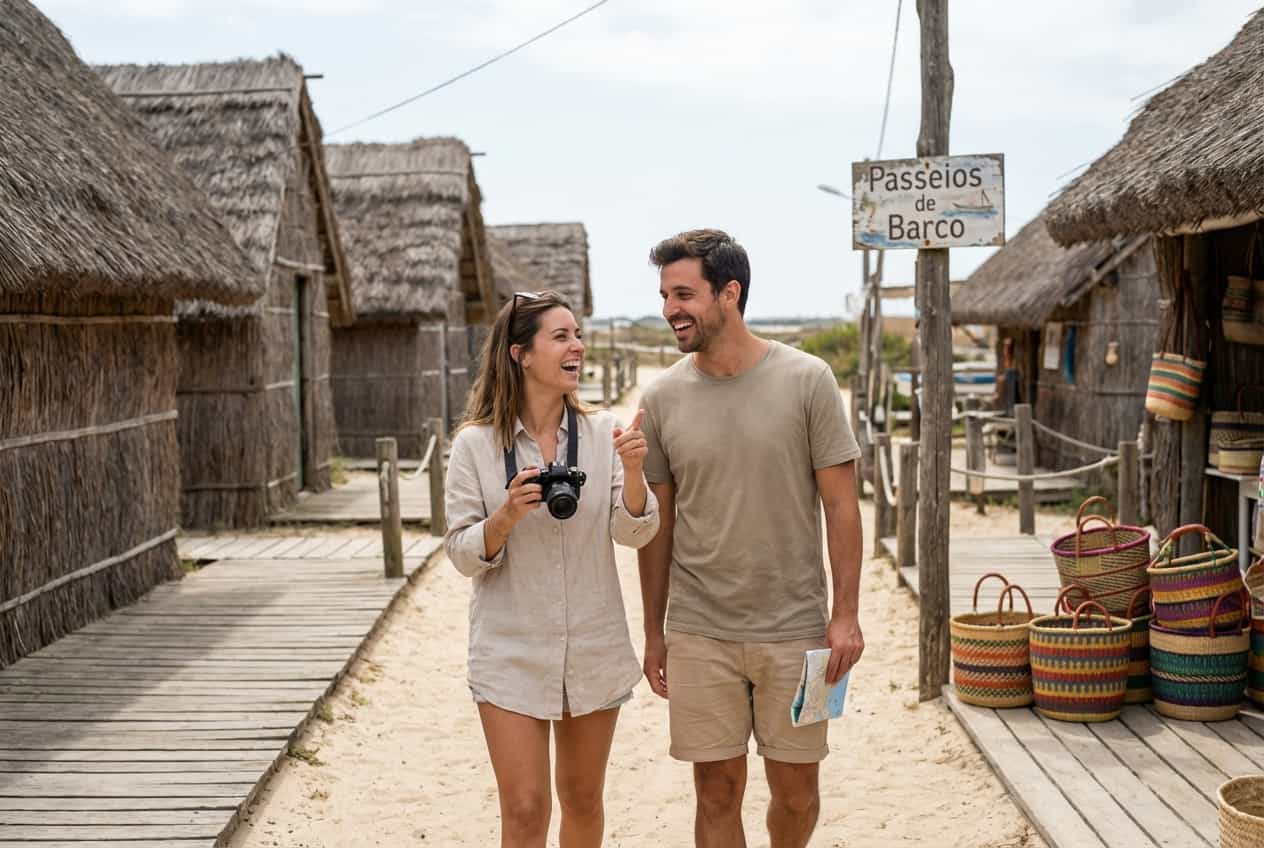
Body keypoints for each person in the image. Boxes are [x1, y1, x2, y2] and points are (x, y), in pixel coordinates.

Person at [637, 229, 865, 848]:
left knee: (797, 795)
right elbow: (657, 529)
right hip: (699, 630)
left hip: (798, 629)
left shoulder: (809, 380)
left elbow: (842, 507)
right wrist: (655, 631)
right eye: (663, 295)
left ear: (729, 293)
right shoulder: (659, 398)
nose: (669, 309)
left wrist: (845, 615)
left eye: (683, 293)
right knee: (715, 792)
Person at [444, 290, 660, 848]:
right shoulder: (473, 445)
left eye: (579, 335)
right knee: (524, 808)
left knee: (584, 800)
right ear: (520, 353)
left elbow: (634, 532)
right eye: (561, 336)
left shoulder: (603, 433)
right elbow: (462, 554)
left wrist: (634, 472)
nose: (577, 347)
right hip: (509, 649)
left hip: (593, 644)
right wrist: (506, 517)